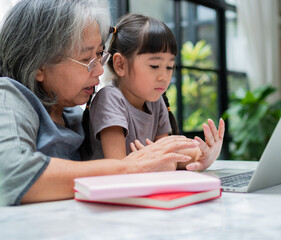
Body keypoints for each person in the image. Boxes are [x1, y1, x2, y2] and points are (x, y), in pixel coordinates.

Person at [0, 0, 212, 206]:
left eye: (100, 55)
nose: (100, 71)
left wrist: (199, 155)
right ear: (39, 66)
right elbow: (11, 174)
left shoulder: (74, 116)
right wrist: (128, 168)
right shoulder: (9, 96)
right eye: (86, 60)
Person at [85, 13, 225, 171]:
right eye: (154, 66)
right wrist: (164, 161)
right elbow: (118, 168)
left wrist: (204, 153)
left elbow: (167, 155)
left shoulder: (155, 102)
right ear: (120, 65)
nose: (164, 76)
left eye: (169, 67)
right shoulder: (110, 98)